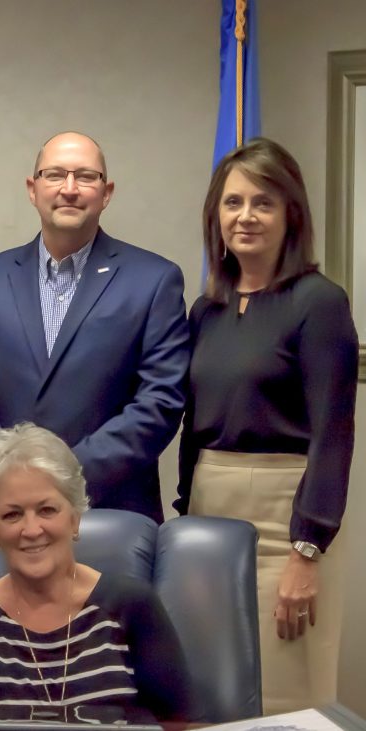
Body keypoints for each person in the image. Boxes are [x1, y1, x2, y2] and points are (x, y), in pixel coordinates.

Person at [176, 138, 358, 714]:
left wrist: (307, 549)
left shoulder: (319, 302)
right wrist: (185, 515)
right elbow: (193, 427)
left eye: (263, 203)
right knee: (209, 689)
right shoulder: (207, 311)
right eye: (233, 203)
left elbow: (334, 432)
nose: (246, 217)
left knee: (285, 698)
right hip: (210, 514)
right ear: (216, 216)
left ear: (290, 215)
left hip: (288, 524)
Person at [0, 131, 189, 521]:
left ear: (106, 192)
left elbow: (159, 402)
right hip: (5, 514)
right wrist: (17, 480)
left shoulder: (154, 280)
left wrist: (64, 479)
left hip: (112, 512)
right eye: (55, 175)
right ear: (33, 188)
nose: (70, 189)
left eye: (86, 177)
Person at [0, 422, 193, 723]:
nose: (31, 530)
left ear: (75, 518)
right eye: (12, 514)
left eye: (47, 510)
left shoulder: (133, 606)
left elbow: (183, 724)